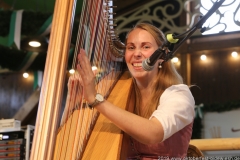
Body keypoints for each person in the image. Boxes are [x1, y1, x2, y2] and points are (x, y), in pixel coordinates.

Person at [77, 22, 195, 159]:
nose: (137, 54)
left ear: (162, 56)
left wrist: (96, 100)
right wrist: (74, 102)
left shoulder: (179, 94)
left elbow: (153, 133)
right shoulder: (122, 92)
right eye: (131, 47)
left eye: (146, 47)